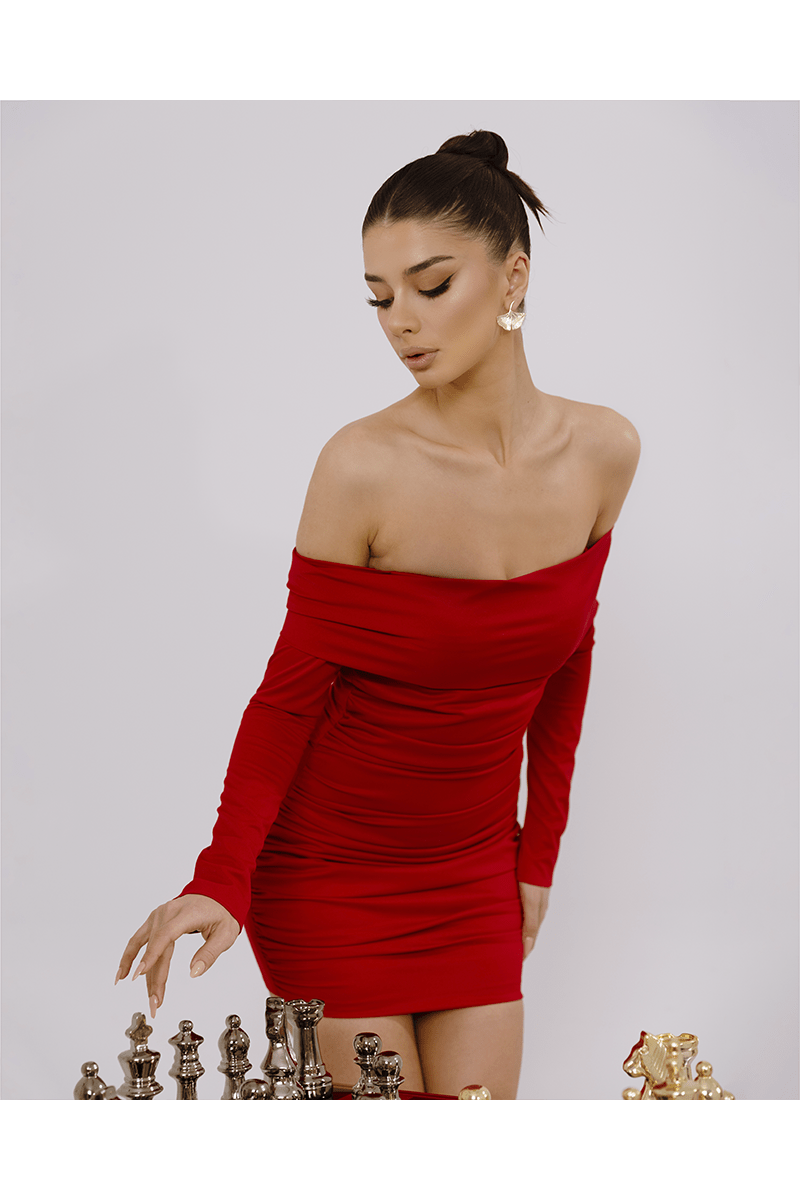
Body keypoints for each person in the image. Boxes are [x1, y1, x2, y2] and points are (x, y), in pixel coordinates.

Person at [117, 130, 639, 1100]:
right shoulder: (360, 468)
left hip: (472, 874)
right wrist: (221, 876)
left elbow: (564, 664)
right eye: (379, 297)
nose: (400, 321)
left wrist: (536, 857)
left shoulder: (604, 453)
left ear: (513, 276)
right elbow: (285, 701)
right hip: (328, 876)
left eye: (429, 286)